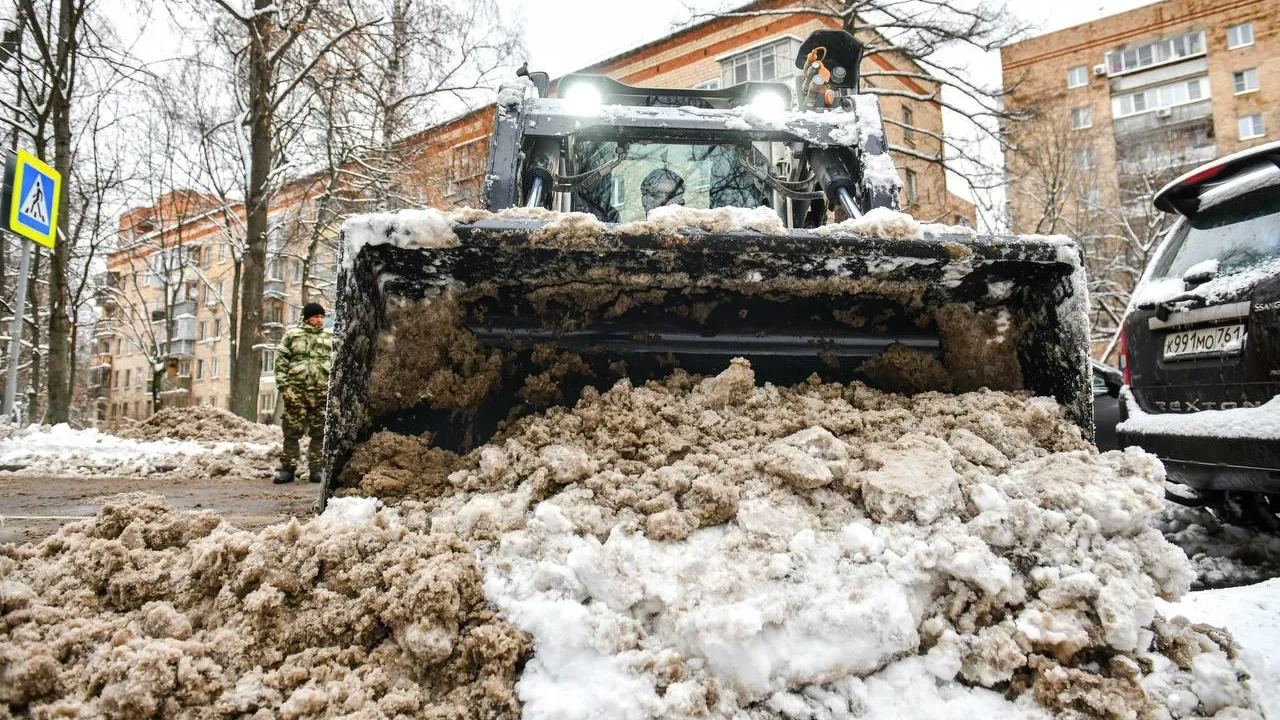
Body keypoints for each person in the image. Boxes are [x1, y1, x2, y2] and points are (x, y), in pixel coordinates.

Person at [273, 302, 333, 484]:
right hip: (296, 392)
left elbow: (337, 362)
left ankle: (317, 468)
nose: (319, 320)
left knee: (319, 432)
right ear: (307, 318)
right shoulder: (292, 335)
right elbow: (281, 361)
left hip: (322, 393)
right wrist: (284, 386)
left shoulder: (330, 337)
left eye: (322, 317)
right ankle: (288, 468)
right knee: (292, 431)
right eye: (316, 317)